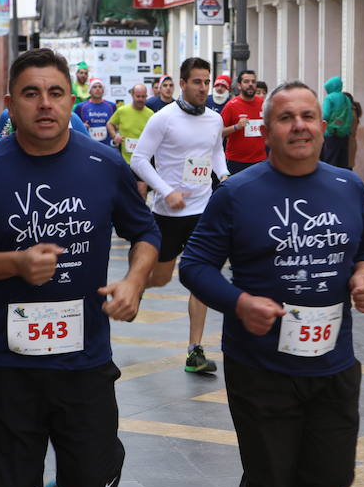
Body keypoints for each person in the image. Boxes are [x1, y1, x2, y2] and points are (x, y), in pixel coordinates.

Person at [0, 48, 161, 487]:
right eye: (31, 94)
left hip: (85, 359)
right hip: (7, 359)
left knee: (92, 483)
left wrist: (134, 281)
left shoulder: (102, 163)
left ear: (71, 100)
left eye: (55, 93)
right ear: (10, 104)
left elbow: (146, 233)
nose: (45, 104)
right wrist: (13, 263)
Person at [179, 80, 364, 487]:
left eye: (308, 117)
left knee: (330, 478)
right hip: (261, 368)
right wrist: (239, 302)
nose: (299, 127)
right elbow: (194, 266)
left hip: (333, 362)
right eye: (286, 118)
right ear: (267, 129)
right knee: (267, 484)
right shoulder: (237, 193)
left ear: (323, 126)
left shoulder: (347, 186)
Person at [131, 58, 229, 374]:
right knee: (159, 277)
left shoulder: (214, 119)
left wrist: (225, 177)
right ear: (183, 84)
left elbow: (214, 152)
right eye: (197, 82)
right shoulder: (164, 119)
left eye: (207, 82)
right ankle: (133, 289)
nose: (203, 88)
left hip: (203, 210)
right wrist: (165, 191)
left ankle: (194, 351)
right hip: (168, 213)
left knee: (200, 280)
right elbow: (139, 160)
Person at [107, 84, 153, 199]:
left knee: (142, 192)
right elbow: (110, 124)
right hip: (125, 160)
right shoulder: (122, 111)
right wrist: (114, 135)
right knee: (126, 192)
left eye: (143, 96)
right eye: (138, 96)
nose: (140, 99)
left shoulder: (151, 114)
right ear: (132, 95)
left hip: (143, 160)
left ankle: (141, 215)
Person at [220, 70, 267, 174]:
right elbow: (219, 132)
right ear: (239, 85)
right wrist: (236, 127)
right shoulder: (231, 106)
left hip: (260, 160)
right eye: (246, 81)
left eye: (253, 82)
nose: (250, 84)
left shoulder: (263, 104)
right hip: (237, 161)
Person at [321, 76, 352, 169]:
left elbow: (325, 115)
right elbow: (350, 115)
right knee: (342, 160)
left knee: (330, 158)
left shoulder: (329, 98)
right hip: (344, 133)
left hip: (331, 132)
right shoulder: (346, 98)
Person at [74, 78, 117, 146]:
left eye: (100, 87)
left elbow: (116, 125)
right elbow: (74, 125)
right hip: (87, 144)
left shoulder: (111, 106)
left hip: (107, 145)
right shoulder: (81, 107)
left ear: (103, 90)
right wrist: (82, 125)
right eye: (94, 87)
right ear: (90, 90)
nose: (97, 89)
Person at [344, 92, 362, 170]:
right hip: (351, 142)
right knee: (348, 166)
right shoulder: (353, 110)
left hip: (347, 142)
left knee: (346, 166)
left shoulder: (349, 112)